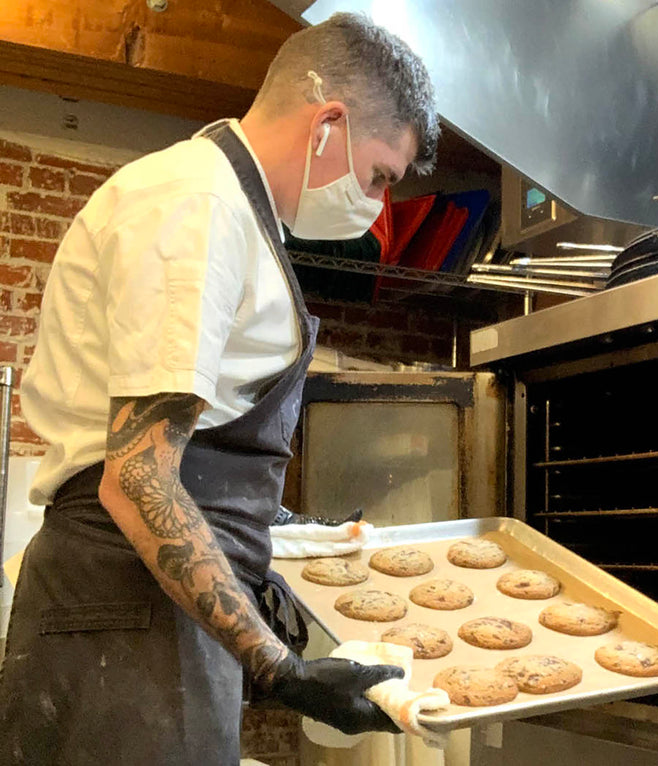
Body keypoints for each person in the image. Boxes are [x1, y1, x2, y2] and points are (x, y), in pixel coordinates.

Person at [0, 12, 439, 764]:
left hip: (147, 608)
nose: (375, 205)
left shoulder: (228, 206)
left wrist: (288, 525)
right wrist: (285, 669)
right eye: (379, 176)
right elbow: (137, 479)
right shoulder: (194, 203)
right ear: (329, 124)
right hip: (122, 607)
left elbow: (200, 448)